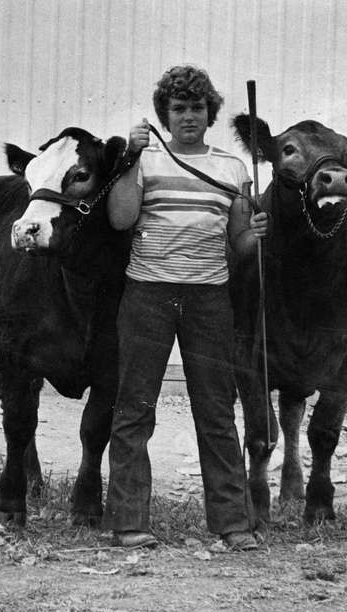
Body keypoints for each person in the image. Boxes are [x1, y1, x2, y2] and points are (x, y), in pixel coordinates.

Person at [103, 65, 269, 549]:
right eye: (179, 108)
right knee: (135, 408)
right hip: (147, 294)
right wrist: (132, 157)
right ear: (165, 114)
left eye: (197, 107)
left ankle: (233, 523)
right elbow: (120, 218)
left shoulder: (232, 168)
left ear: (210, 113)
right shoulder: (146, 161)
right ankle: (130, 522)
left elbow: (237, 244)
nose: (188, 116)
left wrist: (252, 235)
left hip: (209, 298)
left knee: (216, 410)